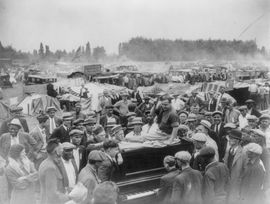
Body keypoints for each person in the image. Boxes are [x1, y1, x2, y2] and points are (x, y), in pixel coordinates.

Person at [39, 139, 70, 204]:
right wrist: (70, 197)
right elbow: (52, 194)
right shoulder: (50, 168)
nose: (62, 152)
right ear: (56, 152)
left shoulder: (47, 163)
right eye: (61, 150)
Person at [223, 129, 246, 204]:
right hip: (227, 180)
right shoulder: (228, 150)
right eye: (230, 137)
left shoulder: (243, 153)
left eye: (233, 138)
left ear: (238, 140)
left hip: (237, 183)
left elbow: (245, 170)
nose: (230, 140)